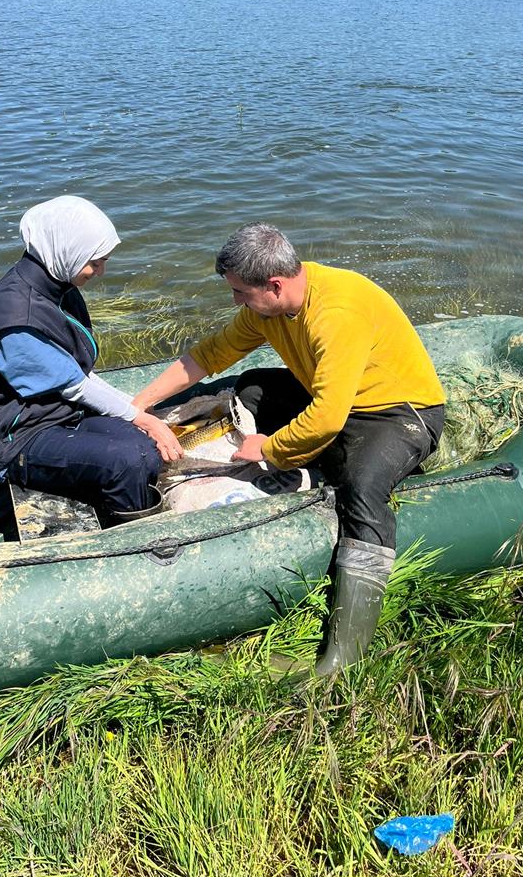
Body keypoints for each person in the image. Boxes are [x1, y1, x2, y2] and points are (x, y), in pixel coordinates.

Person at [133, 222, 445, 673]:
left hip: (398, 412)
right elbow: (211, 354)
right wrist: (138, 405)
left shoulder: (336, 312)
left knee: (361, 487)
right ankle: (317, 460)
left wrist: (269, 449)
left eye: (240, 292)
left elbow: (327, 417)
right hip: (338, 401)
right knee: (255, 386)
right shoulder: (269, 310)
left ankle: (342, 659)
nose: (237, 301)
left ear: (274, 285)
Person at [0, 195, 182, 520]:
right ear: (66, 250)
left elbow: (76, 375)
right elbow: (74, 387)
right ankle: (132, 541)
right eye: (95, 262)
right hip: (21, 437)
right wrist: (141, 416)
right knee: (129, 459)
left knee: (146, 451)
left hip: (61, 415)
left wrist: (133, 411)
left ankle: (109, 496)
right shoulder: (16, 315)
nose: (100, 272)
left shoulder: (57, 287)